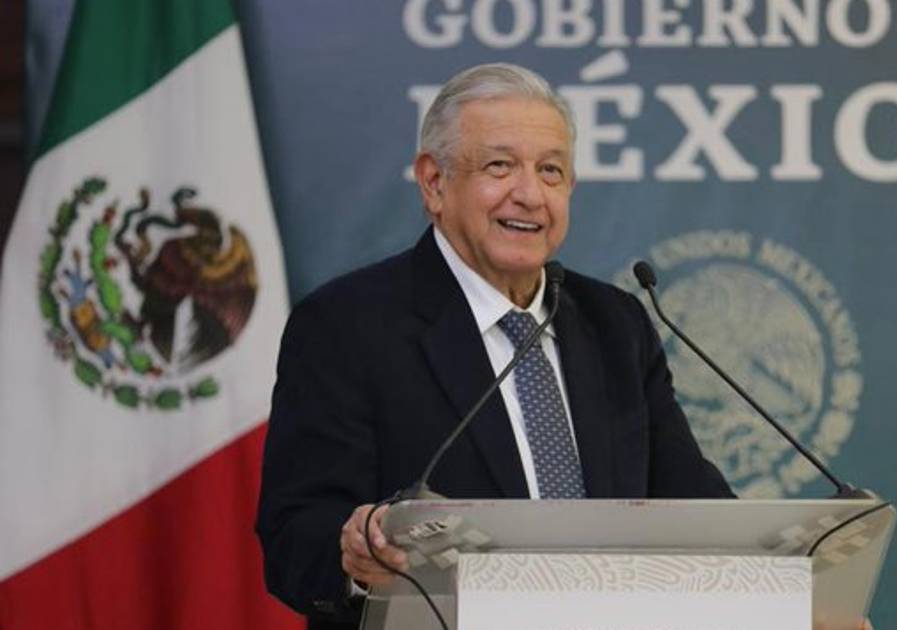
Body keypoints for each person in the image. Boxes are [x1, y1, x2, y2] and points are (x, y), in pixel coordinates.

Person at [255, 63, 733, 628]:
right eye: (499, 166)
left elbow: (694, 508)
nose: (529, 195)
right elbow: (295, 534)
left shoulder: (615, 323)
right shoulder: (346, 325)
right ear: (434, 183)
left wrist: (791, 583)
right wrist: (355, 555)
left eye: (550, 170)